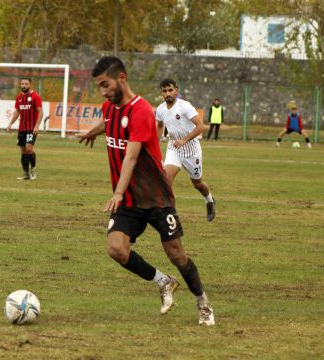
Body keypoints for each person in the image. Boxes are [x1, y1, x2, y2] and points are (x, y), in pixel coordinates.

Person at [77, 56, 215, 326]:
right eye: (100, 87)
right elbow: (108, 122)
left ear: (122, 78)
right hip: (130, 199)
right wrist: (93, 132)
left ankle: (203, 302)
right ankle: (163, 282)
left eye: (106, 85)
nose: (103, 92)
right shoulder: (109, 107)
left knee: (176, 254)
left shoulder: (141, 111)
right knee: (116, 249)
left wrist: (117, 193)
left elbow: (131, 157)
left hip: (155, 197)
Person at [156, 79, 216, 222]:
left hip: (191, 151)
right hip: (174, 148)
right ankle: (171, 216)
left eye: (170, 90)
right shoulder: (160, 109)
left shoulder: (185, 106)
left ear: (176, 90)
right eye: (164, 91)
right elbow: (159, 126)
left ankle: (210, 201)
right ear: (161, 93)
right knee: (166, 179)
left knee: (198, 184)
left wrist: (184, 140)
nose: (168, 94)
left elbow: (200, 126)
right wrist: (155, 145)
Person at [6, 78, 44, 180]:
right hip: (22, 128)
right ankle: (26, 174)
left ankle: (33, 168)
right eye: (22, 84)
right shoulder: (19, 97)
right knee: (23, 151)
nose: (24, 85)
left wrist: (37, 126)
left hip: (31, 128)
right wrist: (10, 123)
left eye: (26, 84)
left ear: (30, 85)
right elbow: (17, 112)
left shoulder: (35, 96)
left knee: (29, 149)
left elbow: (41, 112)